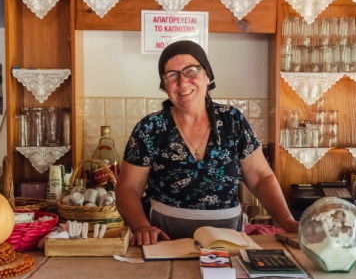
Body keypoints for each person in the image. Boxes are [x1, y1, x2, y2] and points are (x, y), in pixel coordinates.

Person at [117, 40, 299, 246]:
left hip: (228, 240)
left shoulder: (232, 120)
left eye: (191, 71)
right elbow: (128, 188)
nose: (183, 82)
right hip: (165, 239)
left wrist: (286, 220)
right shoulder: (150, 128)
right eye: (172, 75)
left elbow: (260, 177)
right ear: (164, 86)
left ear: (207, 75)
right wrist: (141, 226)